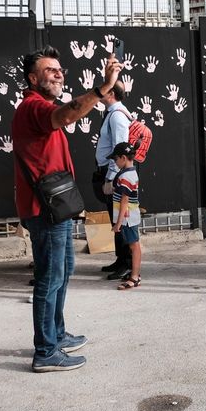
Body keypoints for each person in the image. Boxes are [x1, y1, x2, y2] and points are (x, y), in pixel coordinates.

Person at [13, 45, 122, 372]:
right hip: (44, 209)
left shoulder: (41, 106)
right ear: (33, 78)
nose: (59, 73)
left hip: (55, 207)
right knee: (49, 278)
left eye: (60, 69)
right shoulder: (33, 107)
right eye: (50, 70)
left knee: (63, 270)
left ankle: (56, 334)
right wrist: (101, 90)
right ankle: (46, 351)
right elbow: (66, 115)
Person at [94, 82, 132, 281]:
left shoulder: (117, 116)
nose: (99, 92)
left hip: (115, 174)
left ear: (111, 93)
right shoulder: (112, 113)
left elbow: (120, 150)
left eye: (103, 89)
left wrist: (110, 177)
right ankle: (121, 259)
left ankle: (128, 264)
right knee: (115, 216)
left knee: (121, 217)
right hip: (112, 172)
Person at [109, 142, 143, 291]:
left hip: (128, 218)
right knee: (133, 245)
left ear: (123, 157)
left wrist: (118, 223)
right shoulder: (129, 173)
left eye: (116, 159)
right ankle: (135, 274)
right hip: (129, 217)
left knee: (134, 245)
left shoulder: (126, 176)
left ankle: (134, 277)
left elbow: (124, 201)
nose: (115, 162)